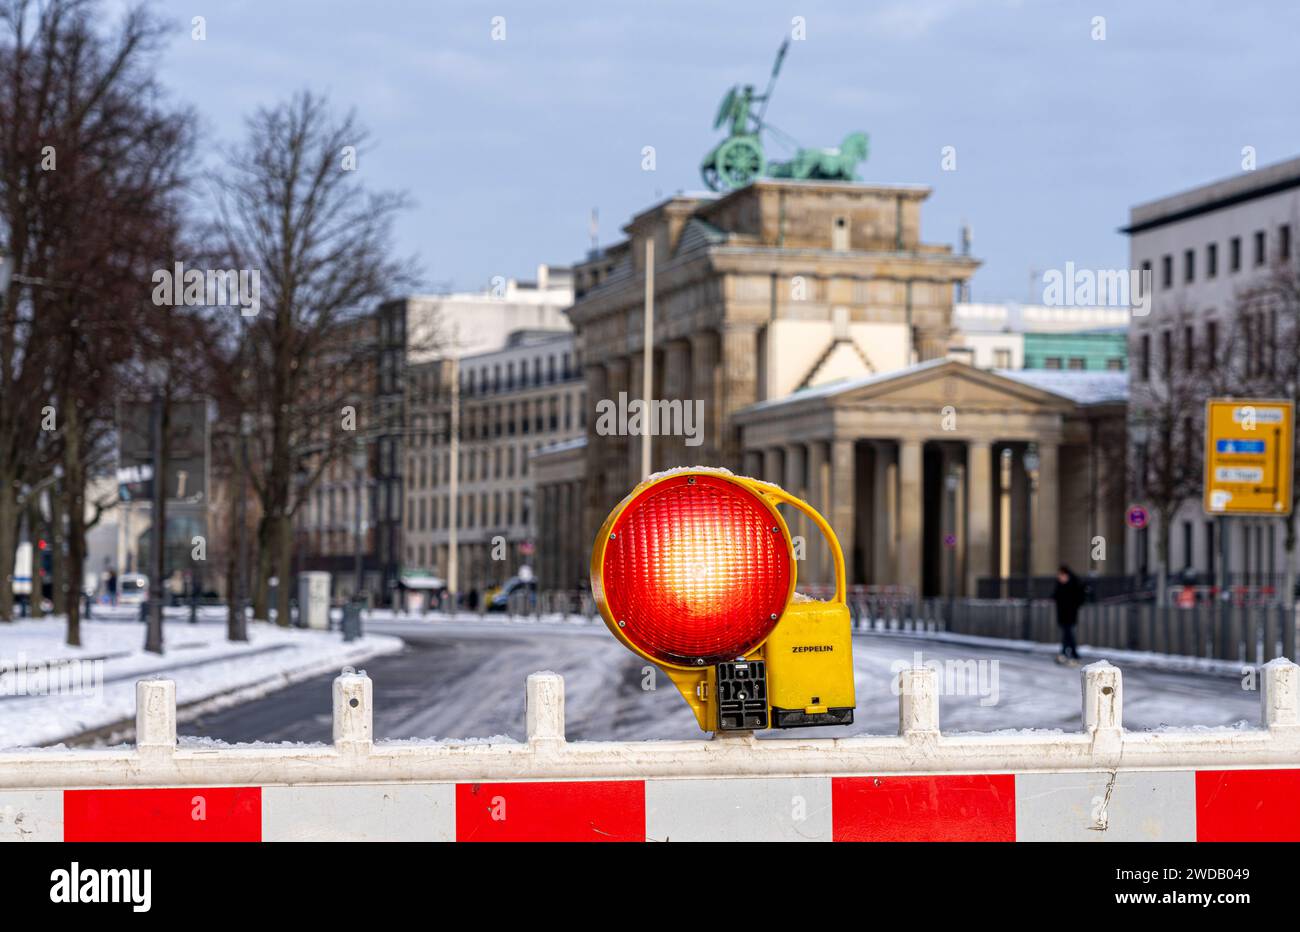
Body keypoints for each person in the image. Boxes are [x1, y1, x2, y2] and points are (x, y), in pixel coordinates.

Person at [1051, 564, 1086, 665]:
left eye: (1061, 575)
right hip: (1062, 614)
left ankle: (1068, 654)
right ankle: (1070, 654)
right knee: (1067, 635)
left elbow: (1079, 598)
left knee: (1068, 634)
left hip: (1070, 614)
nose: (1059, 577)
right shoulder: (1060, 585)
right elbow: (1056, 596)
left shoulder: (1073, 585)